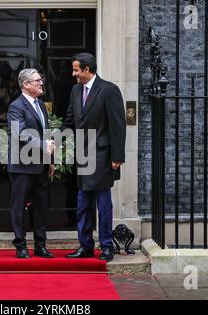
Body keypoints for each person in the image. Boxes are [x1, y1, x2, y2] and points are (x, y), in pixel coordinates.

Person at [63, 53, 126, 262]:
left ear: (87, 69)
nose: (74, 74)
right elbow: (71, 120)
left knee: (103, 204)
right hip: (82, 155)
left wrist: (118, 156)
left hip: (102, 155)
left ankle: (107, 246)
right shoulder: (75, 90)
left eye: (76, 70)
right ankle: (86, 246)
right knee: (83, 204)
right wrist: (57, 139)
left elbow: (118, 125)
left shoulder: (109, 90)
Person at [7, 68, 56, 258]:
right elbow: (19, 133)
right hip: (22, 166)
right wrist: (43, 145)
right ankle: (20, 245)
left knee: (41, 207)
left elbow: (47, 133)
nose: (41, 83)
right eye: (37, 81)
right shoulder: (16, 106)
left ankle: (40, 246)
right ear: (26, 84)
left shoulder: (41, 105)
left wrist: (51, 161)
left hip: (41, 166)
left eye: (41, 80)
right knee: (19, 207)